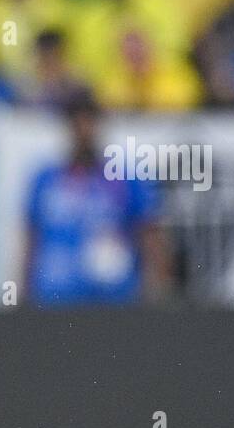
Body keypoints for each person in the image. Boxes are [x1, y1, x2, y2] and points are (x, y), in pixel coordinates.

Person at [24, 94, 170, 306]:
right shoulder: (46, 180)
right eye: (77, 124)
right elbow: (31, 238)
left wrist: (158, 290)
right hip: (54, 299)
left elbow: (149, 235)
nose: (84, 132)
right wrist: (21, 292)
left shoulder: (124, 179)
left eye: (89, 123)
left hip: (113, 300)